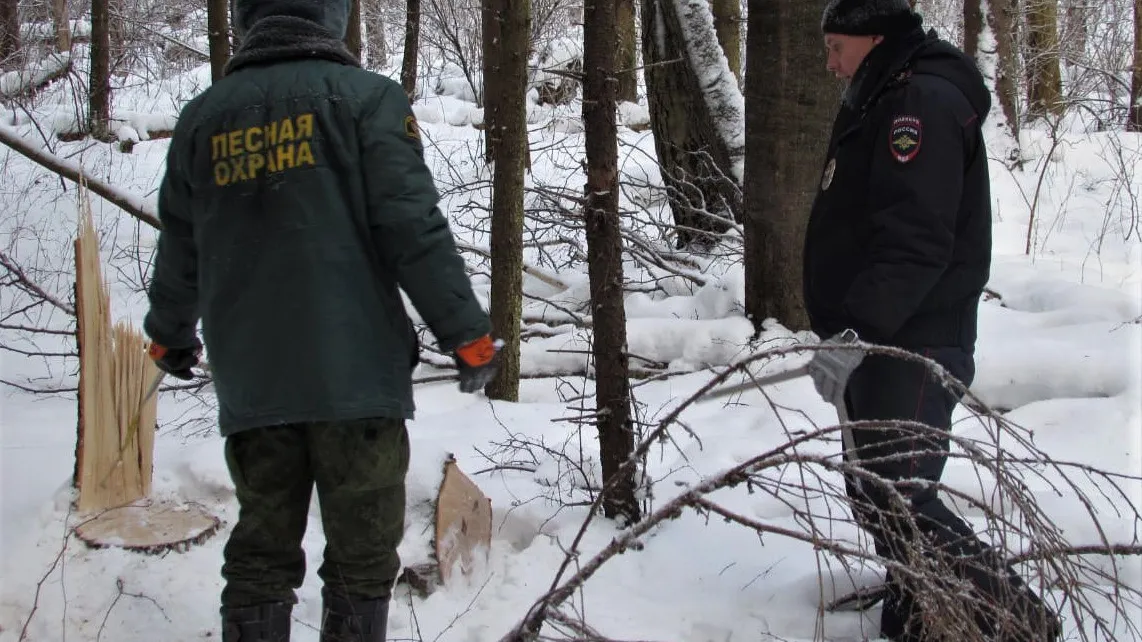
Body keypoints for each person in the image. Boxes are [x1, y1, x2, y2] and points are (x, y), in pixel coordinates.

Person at [141, 0, 500, 639]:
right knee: (362, 557)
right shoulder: (366, 100)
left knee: (259, 553)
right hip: (356, 379)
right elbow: (412, 228)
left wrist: (169, 333)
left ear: (252, 19)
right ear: (331, 16)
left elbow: (180, 245)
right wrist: (466, 334)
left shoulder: (203, 118)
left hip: (254, 382)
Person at [801, 1, 1062, 641]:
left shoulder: (920, 103)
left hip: (912, 336)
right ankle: (921, 609)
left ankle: (1018, 620)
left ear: (874, 38)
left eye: (837, 47)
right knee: (874, 487)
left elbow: (916, 241)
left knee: (899, 492)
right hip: (878, 335)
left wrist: (860, 328)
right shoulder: (885, 91)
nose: (831, 64)